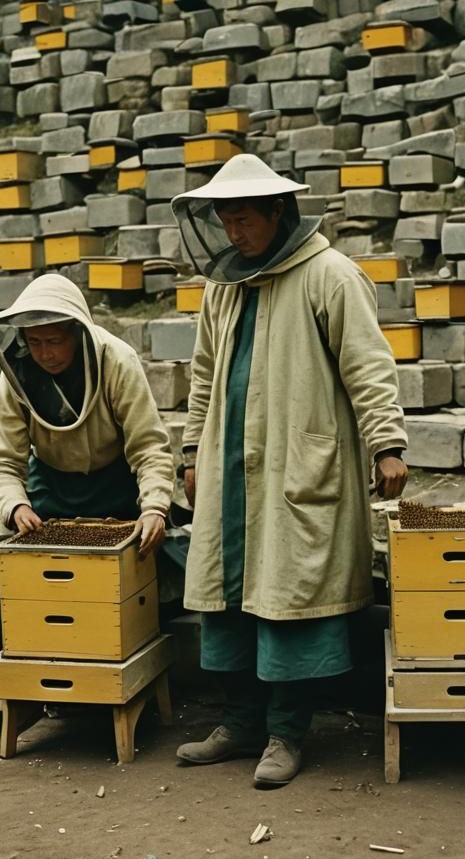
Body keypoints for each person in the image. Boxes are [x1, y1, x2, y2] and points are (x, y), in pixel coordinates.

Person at [171, 153, 409, 787]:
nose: (233, 231)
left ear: (279, 210)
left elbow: (369, 366)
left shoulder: (332, 276)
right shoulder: (221, 287)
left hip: (298, 464)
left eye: (244, 218)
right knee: (233, 598)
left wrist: (387, 443)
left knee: (288, 599)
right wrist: (193, 452)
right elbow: (202, 377)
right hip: (230, 466)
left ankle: (286, 732)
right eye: (224, 220)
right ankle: (240, 721)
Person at [0, 273, 175, 746]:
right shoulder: (18, 376)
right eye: (35, 342)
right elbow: (0, 463)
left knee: (161, 567)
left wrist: (155, 508)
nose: (46, 354)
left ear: (76, 333)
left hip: (117, 495)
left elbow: (149, 449)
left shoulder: (117, 362)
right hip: (46, 499)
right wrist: (15, 505)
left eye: (55, 341)